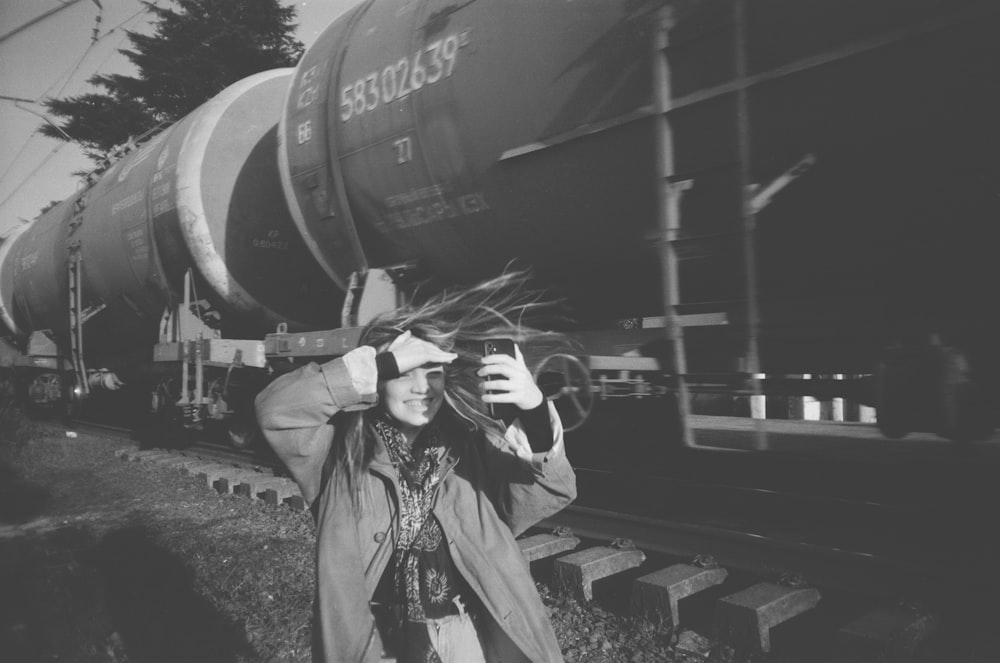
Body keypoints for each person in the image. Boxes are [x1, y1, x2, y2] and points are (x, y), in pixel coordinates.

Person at [255, 272, 577, 663]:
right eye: (405, 373)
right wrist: (382, 362)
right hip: (377, 639)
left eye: (432, 372)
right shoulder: (336, 452)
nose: (422, 387)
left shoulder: (469, 444)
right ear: (379, 379)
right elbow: (276, 410)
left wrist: (536, 411)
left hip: (468, 631)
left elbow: (548, 492)